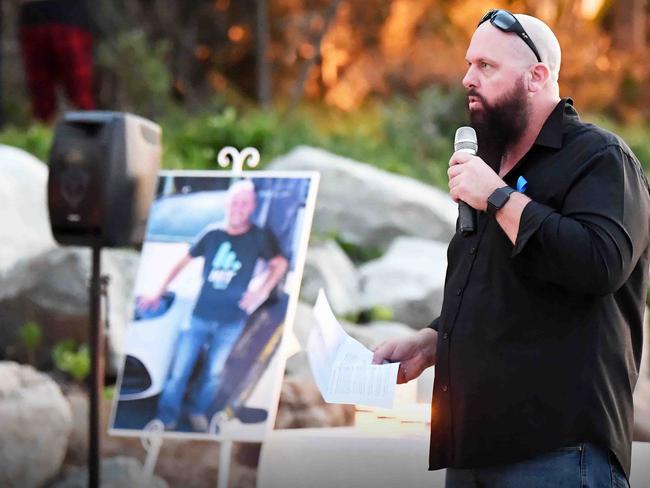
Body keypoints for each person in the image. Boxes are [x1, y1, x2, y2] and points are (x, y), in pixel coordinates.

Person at [373, 9, 650, 488]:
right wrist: (433, 340)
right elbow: (503, 292)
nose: (467, 79)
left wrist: (499, 199)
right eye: (468, 65)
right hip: (472, 450)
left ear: (536, 77)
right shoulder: (489, 168)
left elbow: (600, 264)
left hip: (558, 453)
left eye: (486, 66)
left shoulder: (600, 159)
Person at [141, 179, 288, 432]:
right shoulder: (212, 234)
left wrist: (260, 291)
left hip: (231, 320)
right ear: (227, 204)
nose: (238, 207)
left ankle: (197, 411)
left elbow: (280, 264)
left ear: (252, 206)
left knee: (213, 374)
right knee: (179, 372)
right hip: (198, 315)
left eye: (244, 203)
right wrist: (158, 291)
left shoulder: (258, 238)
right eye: (234, 202)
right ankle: (166, 418)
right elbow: (181, 263)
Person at [18, 0, 95, 123]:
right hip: (32, 18)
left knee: (80, 95)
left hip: (69, 17)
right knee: (41, 98)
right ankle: (42, 136)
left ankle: (88, 131)